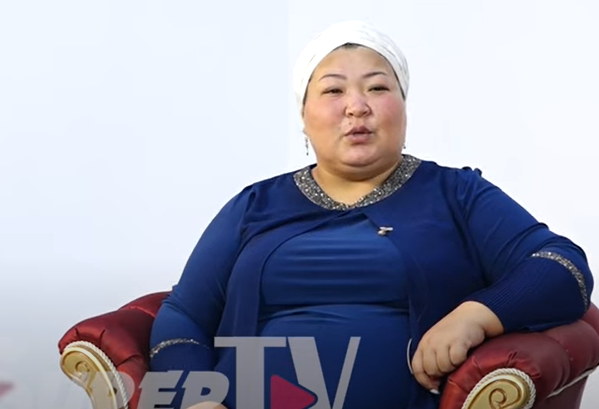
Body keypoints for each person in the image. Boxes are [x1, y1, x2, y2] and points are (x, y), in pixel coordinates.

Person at [147, 20, 594, 409]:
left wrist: (474, 316)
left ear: (403, 105)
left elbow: (563, 267)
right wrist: (196, 400)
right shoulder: (255, 204)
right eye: (333, 90)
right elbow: (183, 316)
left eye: (378, 88)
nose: (356, 106)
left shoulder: (456, 194)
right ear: (303, 115)